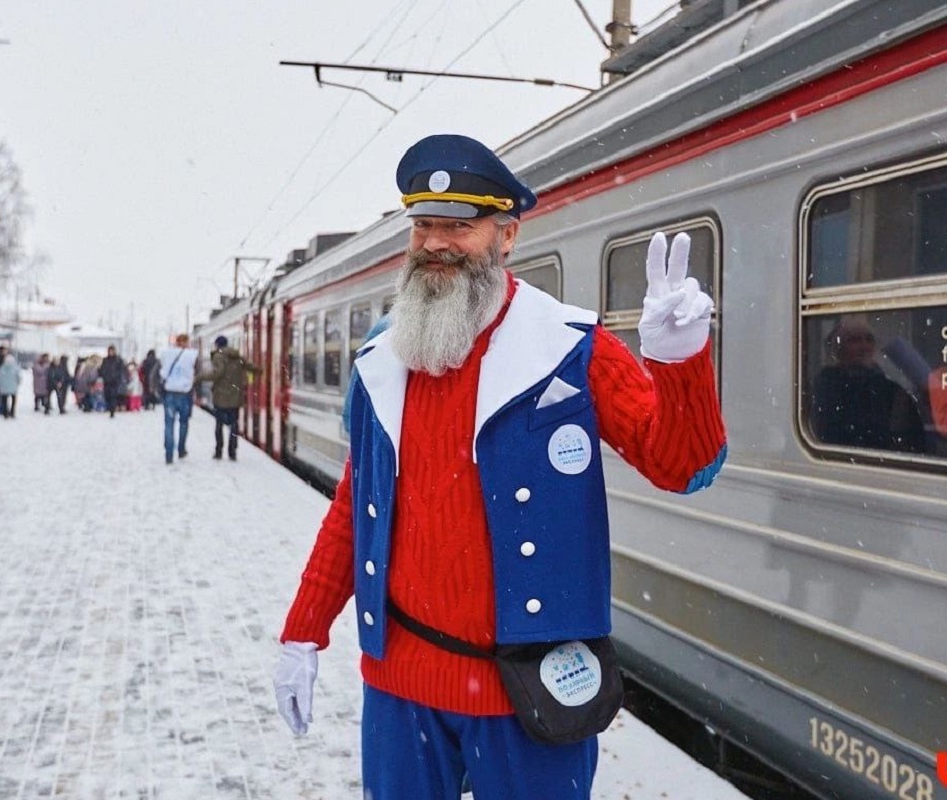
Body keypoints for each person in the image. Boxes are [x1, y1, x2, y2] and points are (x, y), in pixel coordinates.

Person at [272, 134, 727, 800]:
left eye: (460, 226)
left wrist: (680, 359)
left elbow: (682, 465)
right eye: (423, 225)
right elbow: (354, 506)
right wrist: (302, 632)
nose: (435, 243)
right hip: (401, 690)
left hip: (530, 695)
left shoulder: (570, 348)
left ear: (507, 236)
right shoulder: (382, 357)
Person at [810, 319, 924, 452]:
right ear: (838, 349)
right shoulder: (825, 386)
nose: (864, 346)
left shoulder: (892, 391)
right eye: (854, 340)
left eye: (869, 339)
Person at [206, 335, 258, 460]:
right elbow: (252, 368)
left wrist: (199, 378)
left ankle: (219, 451)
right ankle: (232, 452)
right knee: (234, 425)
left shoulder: (218, 357)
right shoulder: (237, 357)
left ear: (217, 345)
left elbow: (217, 373)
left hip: (220, 397)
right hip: (235, 397)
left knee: (219, 425)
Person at [157, 333, 199, 464]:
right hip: (185, 394)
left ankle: (169, 455)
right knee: (184, 423)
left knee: (169, 424)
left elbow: (159, 371)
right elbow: (197, 373)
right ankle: (181, 449)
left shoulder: (166, 354)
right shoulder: (192, 355)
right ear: (186, 342)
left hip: (170, 393)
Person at [99, 345, 126, 419]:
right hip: (106, 381)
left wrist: (118, 378)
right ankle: (110, 408)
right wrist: (102, 375)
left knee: (113, 396)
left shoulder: (118, 360)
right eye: (110, 351)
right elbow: (102, 369)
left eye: (112, 351)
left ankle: (112, 411)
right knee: (107, 396)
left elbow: (121, 370)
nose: (111, 352)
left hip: (114, 382)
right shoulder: (105, 360)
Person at [0, 352, 21, 419]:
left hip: (4, 388)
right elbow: (19, 377)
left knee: (4, 401)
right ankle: (12, 412)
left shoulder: (2, 368)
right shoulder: (15, 368)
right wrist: (18, 383)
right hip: (13, 387)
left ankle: (5, 413)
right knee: (13, 400)